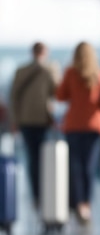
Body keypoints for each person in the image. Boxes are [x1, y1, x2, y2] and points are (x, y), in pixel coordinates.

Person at [55, 42, 100, 223]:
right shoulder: (99, 74)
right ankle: (86, 205)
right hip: (94, 127)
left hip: (73, 126)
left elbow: (60, 95)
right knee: (89, 167)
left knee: (75, 167)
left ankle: (79, 204)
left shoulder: (70, 73)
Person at [9, 42, 57, 206]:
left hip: (26, 121)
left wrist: (14, 121)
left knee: (33, 158)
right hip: (42, 121)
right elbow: (56, 92)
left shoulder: (21, 71)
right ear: (45, 52)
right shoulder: (48, 70)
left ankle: (36, 195)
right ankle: (43, 192)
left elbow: (14, 97)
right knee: (44, 158)